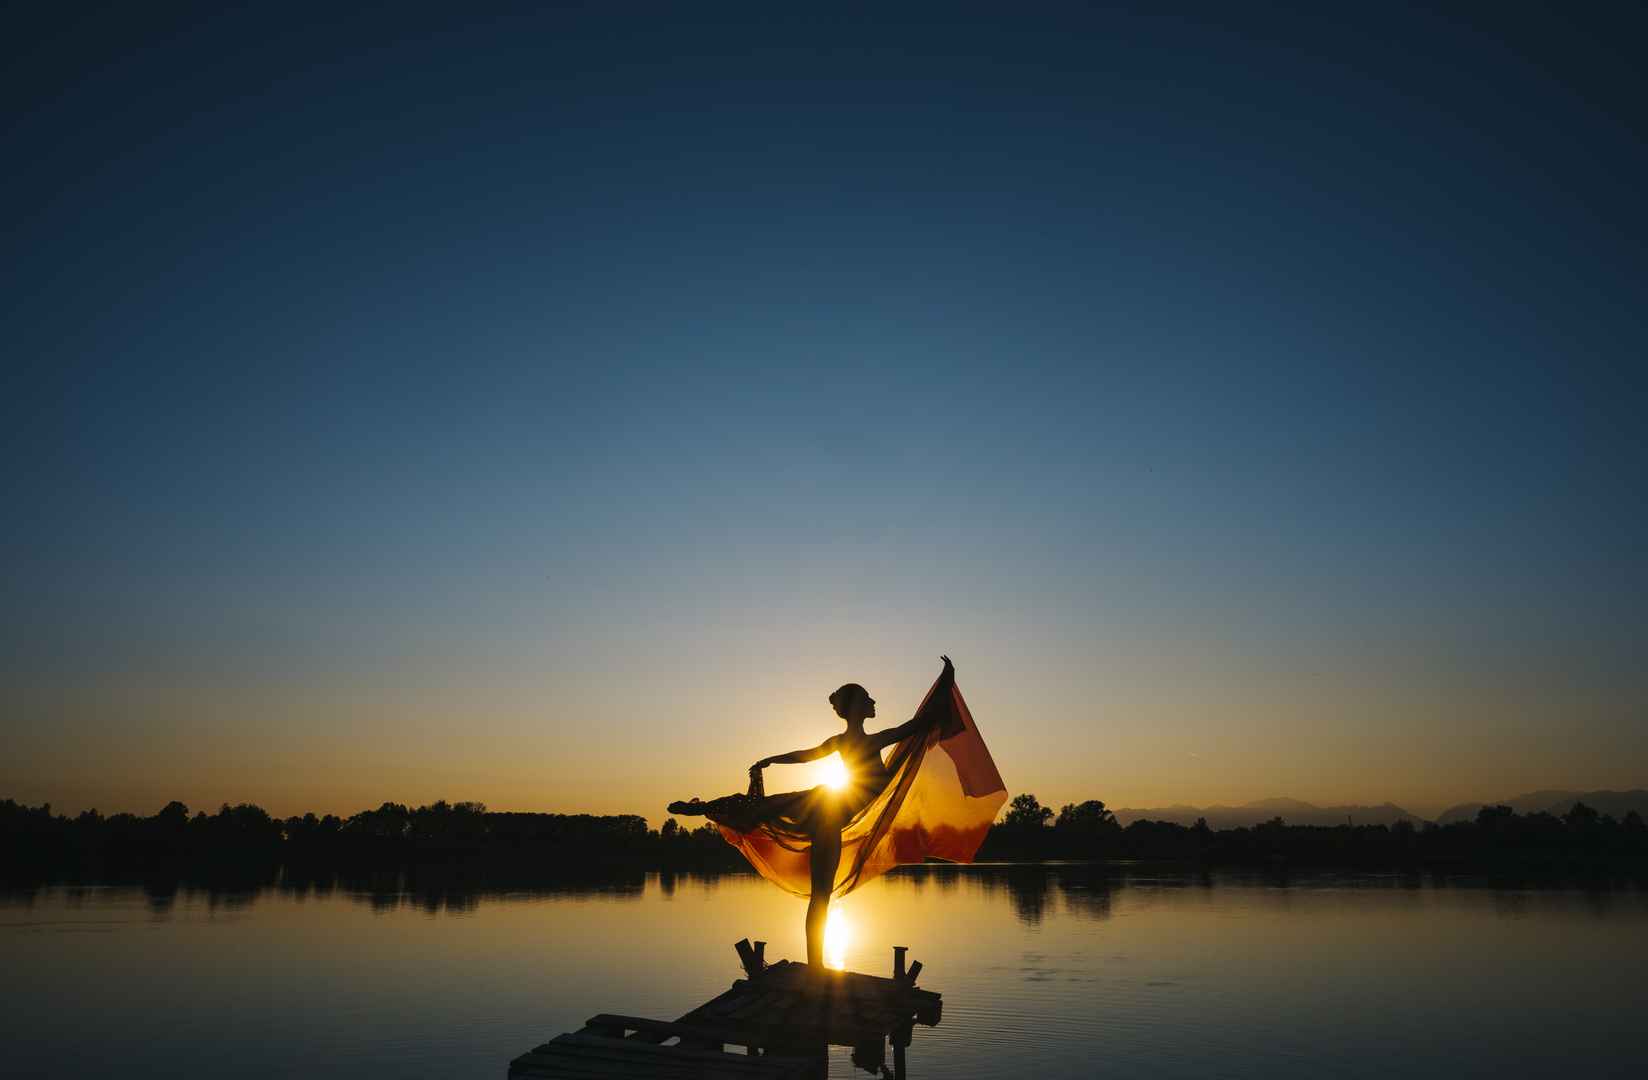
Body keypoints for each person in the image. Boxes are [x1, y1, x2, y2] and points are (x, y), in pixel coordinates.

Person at [749, 656, 954, 968]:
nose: (874, 701)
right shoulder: (869, 742)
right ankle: (816, 966)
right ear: (857, 709)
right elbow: (807, 756)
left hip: (828, 814)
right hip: (828, 815)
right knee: (821, 895)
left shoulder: (857, 742)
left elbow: (917, 726)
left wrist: (945, 684)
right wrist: (773, 759)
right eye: (868, 698)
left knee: (821, 896)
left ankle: (816, 964)